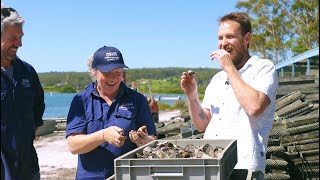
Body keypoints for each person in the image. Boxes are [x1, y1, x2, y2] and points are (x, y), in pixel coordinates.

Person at [180, 12, 278, 180]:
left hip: (244, 167)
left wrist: (229, 68)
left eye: (230, 37)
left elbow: (254, 107)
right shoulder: (218, 79)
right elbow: (203, 124)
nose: (223, 44)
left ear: (246, 39)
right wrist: (191, 96)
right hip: (211, 164)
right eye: (220, 38)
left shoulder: (263, 68)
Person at [66, 46, 157, 179]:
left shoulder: (138, 100)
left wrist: (142, 140)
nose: (113, 78)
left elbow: (152, 141)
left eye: (118, 72)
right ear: (94, 72)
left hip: (128, 175)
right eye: (107, 73)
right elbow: (74, 146)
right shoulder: (81, 101)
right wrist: (103, 135)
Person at [1, 4, 45, 180]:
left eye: (20, 37)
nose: (19, 43)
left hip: (27, 166)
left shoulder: (27, 72)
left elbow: (37, 112)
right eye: (13, 37)